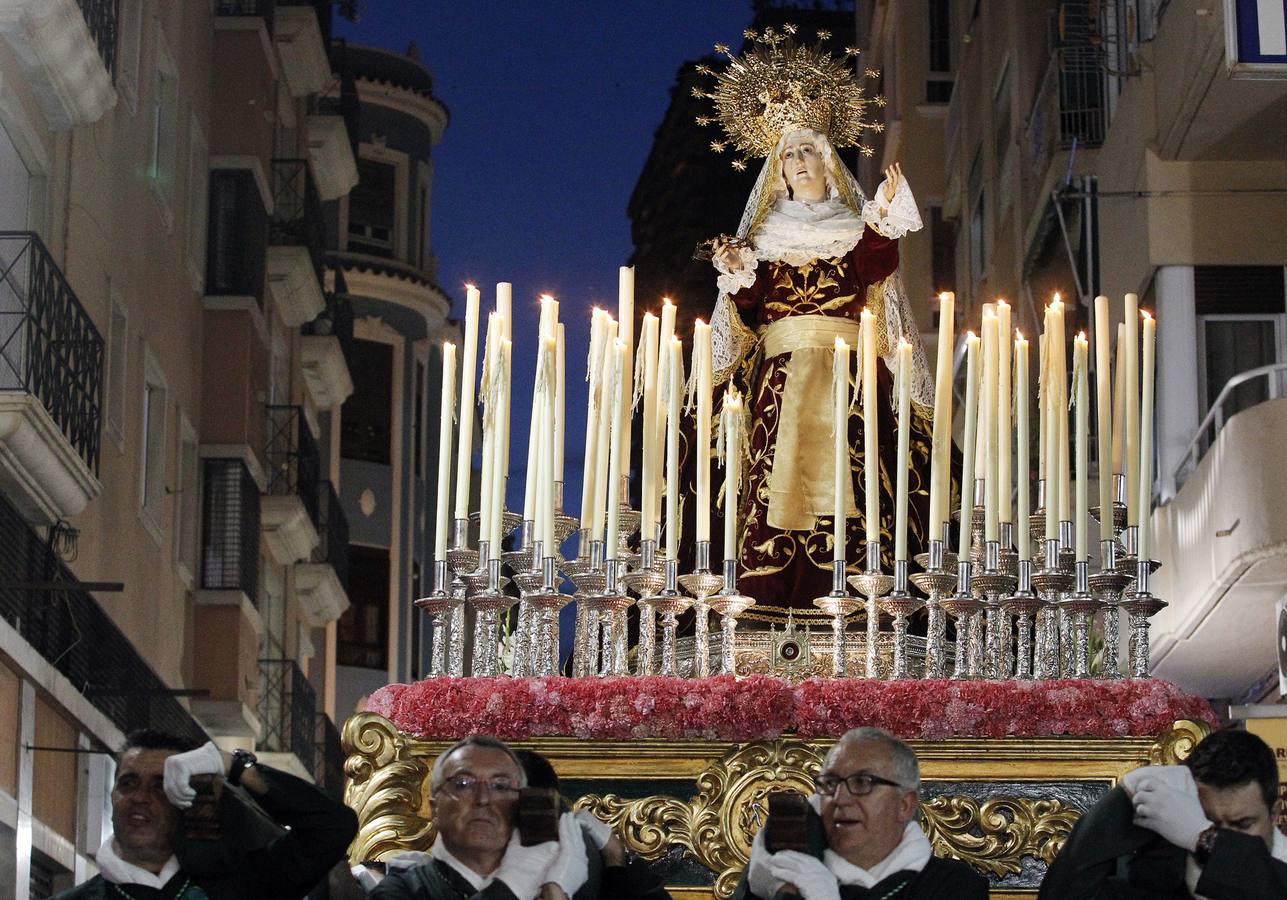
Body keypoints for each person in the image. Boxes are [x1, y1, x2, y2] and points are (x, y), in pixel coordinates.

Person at [696, 32, 941, 617]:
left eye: (807, 152)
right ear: (776, 171)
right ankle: (763, 598)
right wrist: (736, 270)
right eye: (788, 155)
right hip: (778, 381)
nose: (798, 163)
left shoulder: (854, 227)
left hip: (847, 377)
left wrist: (883, 216)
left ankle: (862, 596)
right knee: (760, 481)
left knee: (861, 476)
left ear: (828, 162)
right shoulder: (763, 237)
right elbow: (751, 312)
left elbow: (875, 268)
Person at [54, 728, 358, 899]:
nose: (140, 798)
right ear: (113, 795)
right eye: (128, 783)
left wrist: (233, 766)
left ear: (189, 800)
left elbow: (333, 827)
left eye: (161, 786)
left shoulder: (242, 886)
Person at [371, 735, 666, 900]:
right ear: (436, 809)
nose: (483, 801)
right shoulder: (406, 890)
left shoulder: (577, 864)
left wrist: (616, 864)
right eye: (464, 785)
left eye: (501, 786)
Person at [733, 727, 988, 898]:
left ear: (904, 804)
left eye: (863, 783)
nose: (839, 799)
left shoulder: (953, 886)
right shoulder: (780, 871)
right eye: (830, 784)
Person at [1039, 727, 1287, 898]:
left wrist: (1203, 838)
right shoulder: (1160, 884)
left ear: (1274, 813)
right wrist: (1125, 798)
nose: (1226, 836)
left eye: (1243, 824)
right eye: (1207, 821)